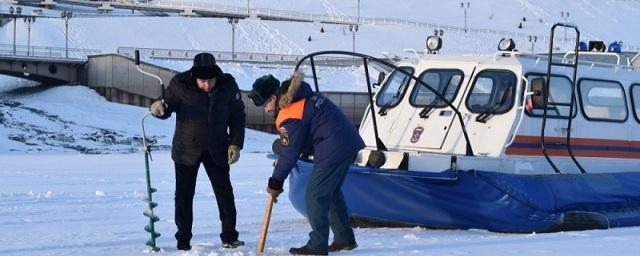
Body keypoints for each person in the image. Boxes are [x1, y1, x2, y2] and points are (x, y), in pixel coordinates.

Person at [248, 72, 365, 255]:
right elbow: (304, 134)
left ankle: (317, 245)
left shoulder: (289, 113)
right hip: (345, 142)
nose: (266, 110)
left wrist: (275, 181)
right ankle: (344, 239)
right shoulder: (299, 97)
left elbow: (290, 152)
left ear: (273, 97)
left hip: (334, 147)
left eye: (265, 104)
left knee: (315, 195)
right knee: (330, 192)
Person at [149, 52, 246, 251]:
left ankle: (229, 236)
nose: (207, 85)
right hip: (186, 149)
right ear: (195, 77)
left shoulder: (228, 85)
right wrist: (158, 107)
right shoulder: (180, 84)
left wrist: (235, 144)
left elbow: (238, 116)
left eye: (210, 81)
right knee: (184, 196)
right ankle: (183, 239)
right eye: (203, 82)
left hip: (218, 148)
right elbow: (165, 105)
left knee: (224, 193)